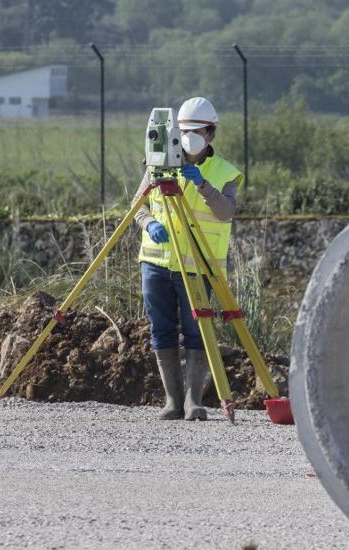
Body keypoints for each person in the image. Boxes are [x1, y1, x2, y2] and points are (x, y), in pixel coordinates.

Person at [132, 96, 243, 421]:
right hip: (156, 262)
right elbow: (137, 205)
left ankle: (195, 401)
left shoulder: (226, 172)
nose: (191, 141)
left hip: (197, 267)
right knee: (161, 330)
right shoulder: (158, 164)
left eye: (198, 133)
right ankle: (173, 401)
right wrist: (148, 222)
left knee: (198, 332)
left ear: (211, 134)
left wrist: (203, 185)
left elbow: (225, 213)